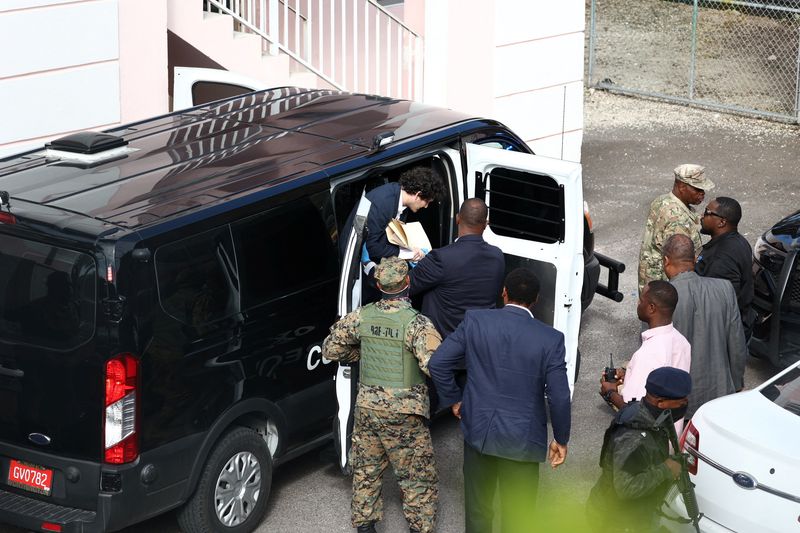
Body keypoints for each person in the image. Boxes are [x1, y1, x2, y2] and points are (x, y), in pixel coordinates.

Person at [429, 268, 570, 533]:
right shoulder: (551, 339)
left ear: (503, 292)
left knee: (479, 511)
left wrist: (455, 400)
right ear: (536, 299)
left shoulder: (475, 321)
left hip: (479, 432)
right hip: (523, 439)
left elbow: (438, 363)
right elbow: (559, 396)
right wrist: (561, 438)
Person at [322, 257, 441, 533]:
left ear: (378, 284)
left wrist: (361, 355)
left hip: (367, 410)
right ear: (407, 283)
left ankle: (365, 528)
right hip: (405, 413)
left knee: (366, 472)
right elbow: (435, 367)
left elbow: (330, 350)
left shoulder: (361, 316)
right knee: (417, 477)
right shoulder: (418, 324)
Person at [587, 367, 692, 533]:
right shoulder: (634, 437)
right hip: (616, 522)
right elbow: (626, 488)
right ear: (661, 403)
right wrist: (666, 469)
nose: (685, 405)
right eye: (682, 402)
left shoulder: (646, 414)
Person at [663, 233, 746, 418]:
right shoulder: (725, 288)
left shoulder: (660, 299)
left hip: (679, 401)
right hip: (720, 394)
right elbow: (736, 343)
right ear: (694, 259)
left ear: (666, 261)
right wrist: (737, 383)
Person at [342, 166, 445, 303]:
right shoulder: (383, 204)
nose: (426, 206)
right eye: (427, 201)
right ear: (417, 194)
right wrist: (408, 253)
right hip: (357, 266)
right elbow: (374, 247)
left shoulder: (400, 200)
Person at [599, 280, 691, 432]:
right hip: (672, 436)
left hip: (646, 444)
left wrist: (609, 392)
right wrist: (630, 374)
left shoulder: (647, 354)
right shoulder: (682, 342)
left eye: (641, 300)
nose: (638, 303)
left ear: (651, 308)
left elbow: (635, 411)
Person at [409, 198, 505, 338]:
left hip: (442, 344)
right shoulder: (497, 257)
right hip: (478, 341)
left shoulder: (441, 258)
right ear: (485, 224)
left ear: (458, 219)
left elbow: (405, 285)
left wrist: (370, 265)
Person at [638, 163, 715, 294]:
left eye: (703, 190)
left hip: (652, 280)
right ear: (682, 187)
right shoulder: (678, 220)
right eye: (697, 189)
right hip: (667, 288)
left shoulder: (662, 200)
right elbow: (679, 265)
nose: (702, 194)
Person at [696, 196, 755, 338]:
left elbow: (717, 304)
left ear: (722, 222)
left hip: (723, 334)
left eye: (707, 212)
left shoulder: (722, 257)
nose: (701, 216)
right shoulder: (739, 241)